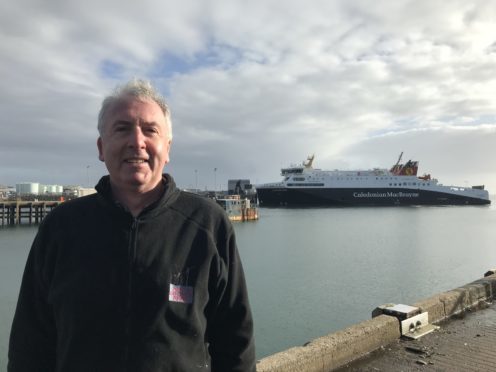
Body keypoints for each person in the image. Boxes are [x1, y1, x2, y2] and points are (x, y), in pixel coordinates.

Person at [8, 79, 256, 371]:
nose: (137, 141)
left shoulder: (208, 225)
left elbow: (235, 344)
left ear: (167, 149)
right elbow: (30, 343)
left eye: (150, 130)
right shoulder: (60, 227)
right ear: (102, 147)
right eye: (122, 128)